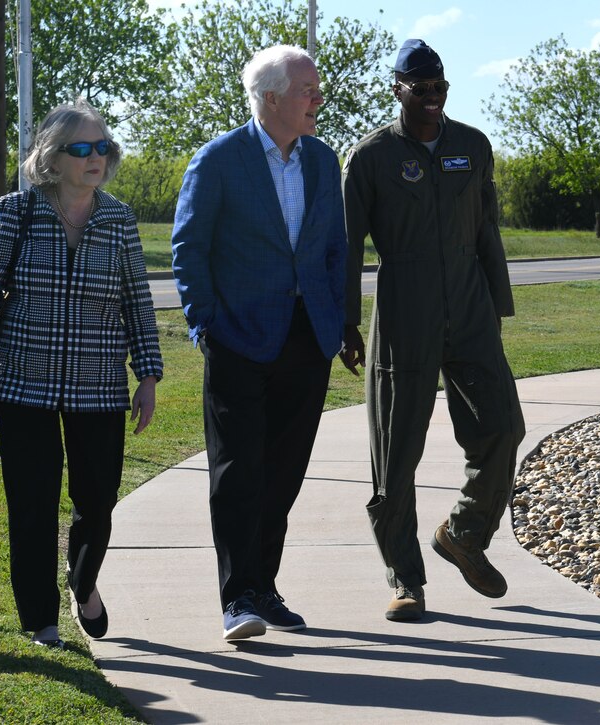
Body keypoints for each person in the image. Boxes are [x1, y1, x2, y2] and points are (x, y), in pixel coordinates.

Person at [0, 99, 163, 648]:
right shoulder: (16, 211)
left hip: (98, 386)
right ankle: (40, 621)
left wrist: (147, 375)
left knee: (97, 501)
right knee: (31, 502)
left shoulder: (119, 219)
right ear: (52, 158)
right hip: (24, 381)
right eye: (83, 148)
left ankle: (83, 581)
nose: (97, 157)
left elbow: (136, 303)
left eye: (104, 147)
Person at [341, 39, 526, 622]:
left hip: (470, 308)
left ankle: (464, 533)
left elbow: (488, 229)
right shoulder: (369, 158)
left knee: (503, 427)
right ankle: (405, 578)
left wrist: (497, 306)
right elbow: (346, 248)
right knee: (396, 455)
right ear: (396, 88)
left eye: (440, 89)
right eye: (420, 89)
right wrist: (346, 322)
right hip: (405, 313)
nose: (431, 99)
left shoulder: (472, 146)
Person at [171, 45, 348, 641]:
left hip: (308, 336)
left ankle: (264, 587)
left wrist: (343, 324)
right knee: (238, 469)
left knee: (284, 472)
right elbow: (189, 250)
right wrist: (206, 326)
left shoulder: (323, 162)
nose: (318, 99)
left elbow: (334, 251)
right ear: (271, 99)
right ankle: (237, 597)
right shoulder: (218, 161)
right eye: (308, 90)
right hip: (239, 338)